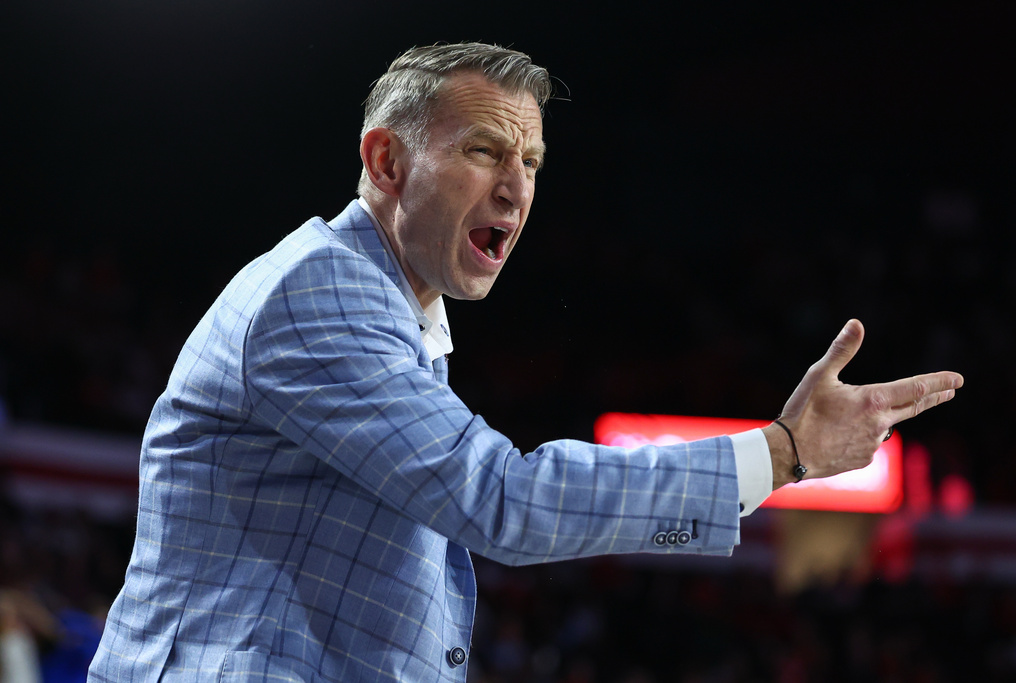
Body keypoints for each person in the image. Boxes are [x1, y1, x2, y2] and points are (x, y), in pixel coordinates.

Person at [87, 42, 963, 682]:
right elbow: (501, 500)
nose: (517, 187)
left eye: (532, 160)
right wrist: (780, 452)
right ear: (386, 162)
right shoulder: (323, 293)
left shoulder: (389, 309)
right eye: (483, 150)